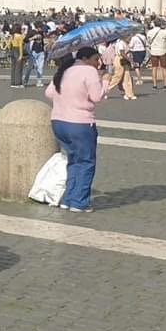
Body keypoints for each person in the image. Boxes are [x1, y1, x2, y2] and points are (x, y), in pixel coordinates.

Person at [45, 47, 110, 213]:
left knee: (73, 160)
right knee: (86, 162)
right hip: (80, 123)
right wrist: (106, 82)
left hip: (58, 121)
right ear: (86, 58)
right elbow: (96, 97)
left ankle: (68, 198)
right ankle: (79, 202)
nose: (98, 63)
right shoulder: (89, 71)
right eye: (96, 59)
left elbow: (49, 93)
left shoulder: (65, 69)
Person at [146, 21, 166, 90]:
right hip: (162, 50)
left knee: (154, 68)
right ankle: (165, 85)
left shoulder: (149, 32)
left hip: (153, 51)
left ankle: (154, 85)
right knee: (164, 68)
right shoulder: (164, 32)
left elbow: (148, 41)